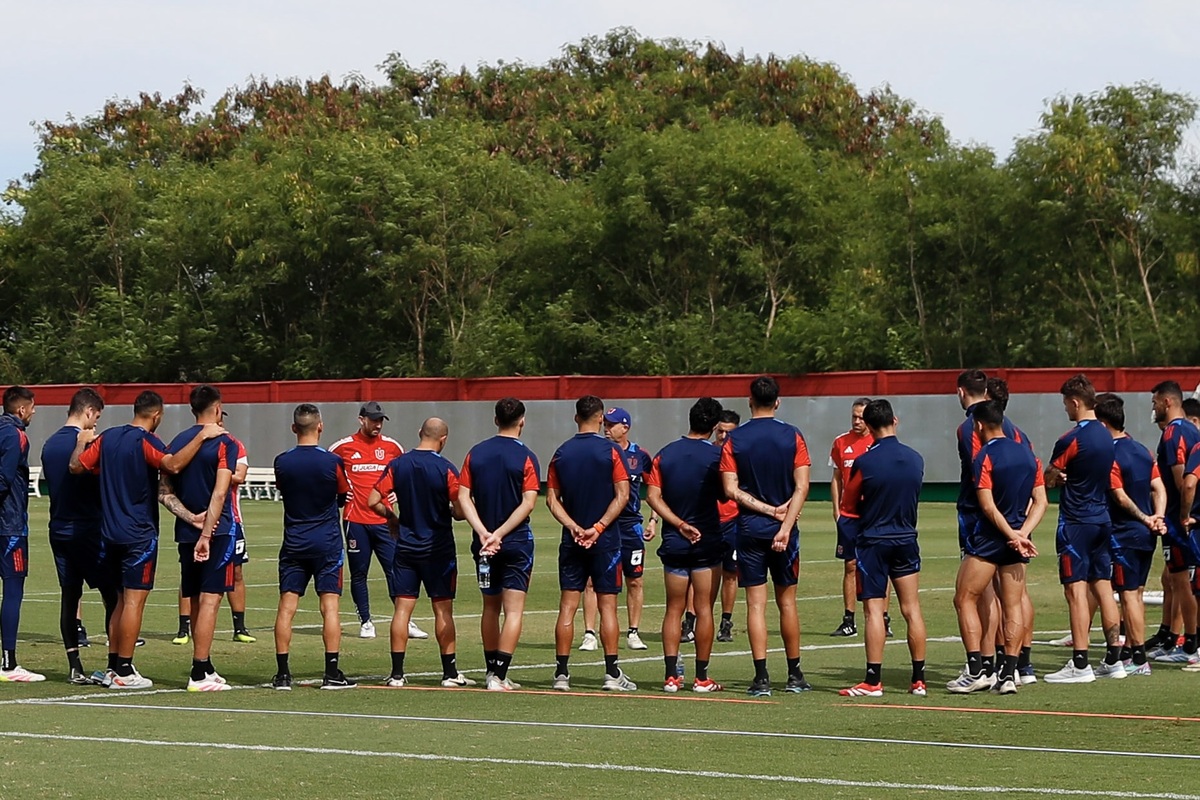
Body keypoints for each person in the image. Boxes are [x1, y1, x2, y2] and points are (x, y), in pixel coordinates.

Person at [70, 391, 220, 689]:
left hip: (109, 532)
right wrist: (203, 436)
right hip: (138, 535)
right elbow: (173, 464)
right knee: (134, 602)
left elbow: (76, 467)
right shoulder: (145, 441)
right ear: (156, 415)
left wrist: (79, 444)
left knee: (118, 602)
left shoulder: (108, 438)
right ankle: (125, 670)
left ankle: (112, 666)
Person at [720, 376, 811, 696]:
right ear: (778, 401)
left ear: (749, 401)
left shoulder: (735, 439)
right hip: (784, 531)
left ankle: (761, 677)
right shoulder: (792, 435)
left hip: (749, 529)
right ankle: (795, 674)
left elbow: (730, 489)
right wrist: (784, 524)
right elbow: (802, 486)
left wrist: (763, 509)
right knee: (787, 603)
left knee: (755, 605)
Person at [948, 400, 1044, 695]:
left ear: (978, 426)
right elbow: (1041, 501)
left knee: (964, 598)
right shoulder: (1029, 456)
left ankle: (977, 670)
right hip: (1016, 540)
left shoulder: (984, 456)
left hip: (990, 539)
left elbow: (987, 507)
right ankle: (1009, 674)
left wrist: (1010, 535)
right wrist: (1022, 534)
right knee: (1012, 605)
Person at [368, 418, 471, 688]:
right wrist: (452, 513)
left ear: (419, 433)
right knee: (443, 610)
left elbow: (372, 500)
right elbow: (460, 508)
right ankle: (449, 673)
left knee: (402, 610)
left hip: (406, 547)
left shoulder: (398, 464)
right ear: (443, 439)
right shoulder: (445, 468)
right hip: (439, 550)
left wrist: (391, 517)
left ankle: (397, 674)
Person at [838, 399, 928, 697]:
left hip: (873, 541)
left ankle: (873, 680)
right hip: (906, 538)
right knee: (911, 608)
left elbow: (848, 507)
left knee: (874, 611)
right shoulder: (916, 458)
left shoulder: (865, 461)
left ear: (870, 427)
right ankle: (918, 679)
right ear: (895, 421)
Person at [546, 395, 634, 692]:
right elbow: (622, 495)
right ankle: (611, 673)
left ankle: (561, 673)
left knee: (567, 607)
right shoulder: (610, 451)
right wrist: (597, 527)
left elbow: (552, 499)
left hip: (572, 540)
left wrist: (573, 527)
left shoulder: (561, 453)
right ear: (599, 418)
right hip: (605, 540)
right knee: (608, 606)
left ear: (575, 418)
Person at [456, 398, 541, 692]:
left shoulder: (475, 453)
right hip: (515, 541)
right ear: (522, 420)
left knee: (489, 608)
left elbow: (463, 497)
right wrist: (501, 533)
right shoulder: (526, 456)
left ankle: (491, 670)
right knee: (513, 610)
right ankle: (499, 676)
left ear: (495, 420)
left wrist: (483, 532)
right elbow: (528, 503)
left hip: (482, 545)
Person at [271, 403, 356, 690]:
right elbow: (344, 495)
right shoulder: (332, 461)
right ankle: (331, 672)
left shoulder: (281, 461)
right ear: (320, 426)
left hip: (294, 541)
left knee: (287, 606)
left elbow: (285, 490)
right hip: (327, 541)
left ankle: (282, 674)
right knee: (330, 607)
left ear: (294, 428)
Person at [646, 397, 727, 692]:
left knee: (673, 609)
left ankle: (670, 676)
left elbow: (653, 497)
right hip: (707, 538)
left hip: (675, 541)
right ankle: (701, 677)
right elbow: (726, 494)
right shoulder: (718, 457)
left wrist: (678, 524)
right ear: (715, 425)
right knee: (704, 608)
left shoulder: (665, 454)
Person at [163, 385, 242, 691]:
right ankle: (198, 672)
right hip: (216, 532)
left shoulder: (178, 441)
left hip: (185, 531)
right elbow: (221, 492)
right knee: (210, 600)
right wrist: (207, 532)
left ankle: (205, 663)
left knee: (195, 598)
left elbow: (165, 489)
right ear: (218, 408)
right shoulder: (225, 442)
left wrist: (189, 520)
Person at [1043, 374, 1120, 683]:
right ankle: (1115, 659)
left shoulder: (1072, 438)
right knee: (1103, 587)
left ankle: (1079, 663)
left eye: (1066, 404)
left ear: (1075, 402)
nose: (1065, 410)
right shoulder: (1106, 435)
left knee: (1075, 591)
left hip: (1076, 521)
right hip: (1102, 518)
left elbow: (1050, 475)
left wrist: (1056, 476)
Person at [330, 402, 427, 642]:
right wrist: (338, 495)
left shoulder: (392, 447)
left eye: (380, 420)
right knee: (359, 572)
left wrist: (398, 493)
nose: (377, 424)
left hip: (386, 520)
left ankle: (405, 621)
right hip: (356, 520)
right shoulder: (342, 447)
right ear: (361, 419)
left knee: (396, 571)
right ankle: (365, 621)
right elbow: (324, 471)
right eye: (373, 419)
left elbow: (404, 474)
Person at [41, 388, 117, 684]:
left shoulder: (49, 445)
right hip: (87, 527)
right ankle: (116, 663)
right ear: (88, 412)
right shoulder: (88, 443)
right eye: (96, 417)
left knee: (70, 596)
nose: (96, 423)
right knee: (113, 595)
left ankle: (75, 665)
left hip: (58, 527)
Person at [1096, 393, 1166, 676]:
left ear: (1102, 423)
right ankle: (1129, 654)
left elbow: (1119, 495)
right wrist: (1157, 517)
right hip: (1146, 535)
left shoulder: (1109, 454)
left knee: (1128, 596)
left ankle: (1137, 659)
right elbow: (1158, 487)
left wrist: (1145, 517)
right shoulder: (1141, 449)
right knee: (1134, 592)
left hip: (1124, 533)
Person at [1147, 380, 1200, 661]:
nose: (1153, 408)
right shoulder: (1191, 429)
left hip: (1180, 521)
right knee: (1177, 579)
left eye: (1155, 402)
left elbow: (1183, 479)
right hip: (1185, 519)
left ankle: (1190, 643)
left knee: (1183, 581)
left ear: (1167, 402)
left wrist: (1182, 515)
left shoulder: (1174, 433)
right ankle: (1179, 638)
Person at [0, 386, 41, 682]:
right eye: (32, 407)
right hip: (10, 525)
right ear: (21, 410)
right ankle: (9, 663)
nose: (35, 412)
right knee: (13, 590)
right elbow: (4, 478)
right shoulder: (16, 435)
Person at [828, 398, 874, 638]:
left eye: (861, 417)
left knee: (878, 566)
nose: (856, 421)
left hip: (873, 514)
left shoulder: (877, 441)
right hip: (850, 515)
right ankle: (849, 620)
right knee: (850, 565)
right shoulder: (840, 442)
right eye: (854, 416)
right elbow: (836, 478)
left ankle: (883, 618)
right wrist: (836, 510)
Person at [714, 410, 740, 643]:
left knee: (730, 573)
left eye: (728, 432)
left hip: (733, 521)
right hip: (708, 522)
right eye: (720, 431)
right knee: (700, 572)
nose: (723, 436)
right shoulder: (708, 454)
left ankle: (726, 622)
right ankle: (691, 621)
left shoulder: (740, 456)